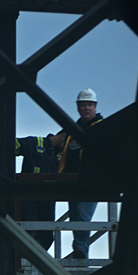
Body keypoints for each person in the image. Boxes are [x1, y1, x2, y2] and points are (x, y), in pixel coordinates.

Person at [56, 88, 104, 259]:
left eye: (90, 105)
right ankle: (79, 250)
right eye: (83, 105)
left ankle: (80, 250)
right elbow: (56, 144)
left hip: (92, 181)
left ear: (95, 107)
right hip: (72, 180)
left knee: (83, 215)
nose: (86, 108)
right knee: (76, 217)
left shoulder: (102, 128)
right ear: (78, 107)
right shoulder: (71, 130)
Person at [15, 133, 60, 250]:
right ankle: (26, 255)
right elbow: (10, 147)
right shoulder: (34, 143)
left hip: (48, 200)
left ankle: (37, 256)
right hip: (29, 197)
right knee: (28, 231)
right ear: (62, 136)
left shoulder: (61, 155)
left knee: (47, 235)